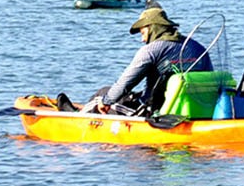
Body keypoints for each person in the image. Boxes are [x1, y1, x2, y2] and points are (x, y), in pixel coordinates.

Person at [78, 7, 212, 114]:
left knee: (101, 95)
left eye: (143, 33)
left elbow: (125, 83)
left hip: (154, 111)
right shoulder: (197, 47)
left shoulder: (152, 50)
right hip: (196, 109)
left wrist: (106, 101)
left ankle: (77, 117)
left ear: (153, 28)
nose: (142, 40)